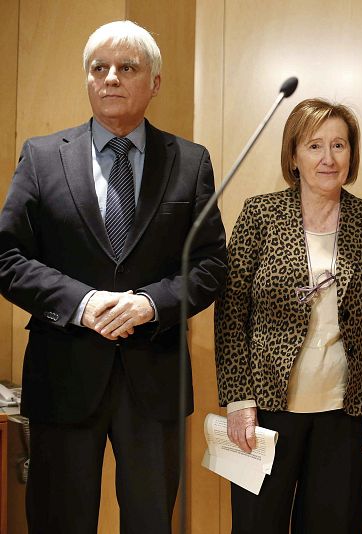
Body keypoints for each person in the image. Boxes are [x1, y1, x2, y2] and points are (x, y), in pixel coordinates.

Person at [0, 20, 227, 534]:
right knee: (57, 520)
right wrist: (82, 304)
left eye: (127, 67)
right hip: (64, 373)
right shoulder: (41, 156)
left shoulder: (190, 162)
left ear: (155, 82)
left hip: (154, 376)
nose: (110, 78)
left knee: (151, 522)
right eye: (98, 68)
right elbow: (8, 256)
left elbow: (210, 264)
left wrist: (151, 303)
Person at [215, 98, 362, 534]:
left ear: (351, 154)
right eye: (315, 145)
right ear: (294, 156)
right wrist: (238, 400)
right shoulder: (260, 215)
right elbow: (230, 314)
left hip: (346, 410)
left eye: (339, 145)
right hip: (265, 410)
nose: (328, 158)